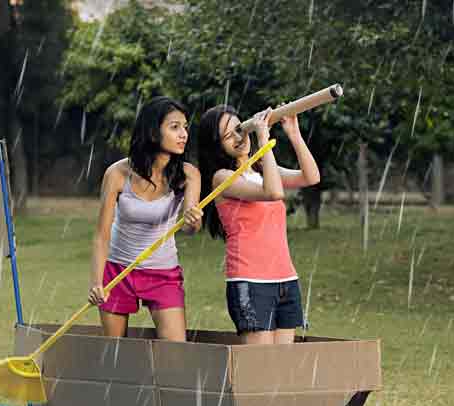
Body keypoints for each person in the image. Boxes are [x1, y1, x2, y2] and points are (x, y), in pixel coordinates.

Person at [197, 105, 320, 344]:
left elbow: (311, 177)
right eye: (228, 136)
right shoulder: (223, 178)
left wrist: (294, 134)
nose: (239, 138)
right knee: (260, 363)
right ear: (216, 145)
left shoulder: (262, 168)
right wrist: (264, 139)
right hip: (250, 280)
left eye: (240, 129)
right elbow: (273, 192)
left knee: (283, 363)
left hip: (285, 278)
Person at [88, 96, 202, 341]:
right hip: (118, 270)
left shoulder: (189, 174)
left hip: (163, 273)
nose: (183, 134)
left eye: (185, 127)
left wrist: (192, 221)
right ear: (152, 131)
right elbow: (101, 235)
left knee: (175, 351)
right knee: (115, 352)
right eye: (174, 127)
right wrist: (97, 283)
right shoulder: (117, 174)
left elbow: (190, 228)